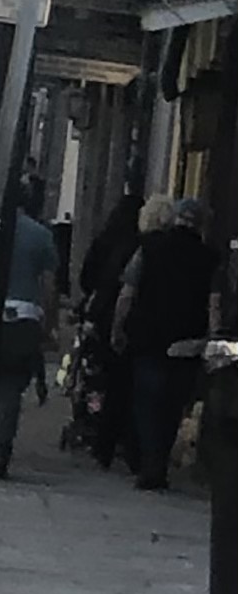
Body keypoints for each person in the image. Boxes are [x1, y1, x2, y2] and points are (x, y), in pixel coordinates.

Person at [115, 195, 223, 491]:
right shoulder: (210, 258)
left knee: (147, 404)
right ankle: (158, 459)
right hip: (188, 342)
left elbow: (128, 292)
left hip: (149, 338)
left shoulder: (149, 248)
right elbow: (214, 304)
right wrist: (213, 341)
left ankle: (151, 462)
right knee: (173, 407)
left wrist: (118, 328)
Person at [0, 177, 59, 479]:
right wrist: (49, 324)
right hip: (24, 317)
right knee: (10, 390)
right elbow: (50, 286)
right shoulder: (40, 235)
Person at [76, 189, 144, 469]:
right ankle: (122, 442)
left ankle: (99, 432)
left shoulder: (105, 240)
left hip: (103, 317)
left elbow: (86, 277)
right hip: (130, 321)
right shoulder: (140, 246)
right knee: (126, 384)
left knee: (102, 378)